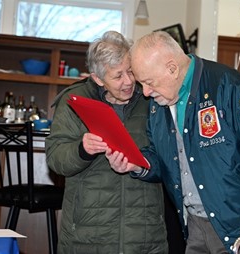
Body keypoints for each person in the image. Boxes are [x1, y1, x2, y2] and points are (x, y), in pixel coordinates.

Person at [106, 31, 240, 254]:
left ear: (172, 68)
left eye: (149, 82)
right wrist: (138, 163)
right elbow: (163, 158)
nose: (145, 92)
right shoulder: (159, 103)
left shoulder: (231, 87)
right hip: (195, 226)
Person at [45, 31, 168, 254]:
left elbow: (171, 160)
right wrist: (82, 150)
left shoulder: (151, 98)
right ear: (98, 79)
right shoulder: (73, 102)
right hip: (88, 234)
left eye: (130, 71)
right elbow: (56, 159)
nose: (129, 81)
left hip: (143, 232)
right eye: (118, 76)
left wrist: (140, 167)